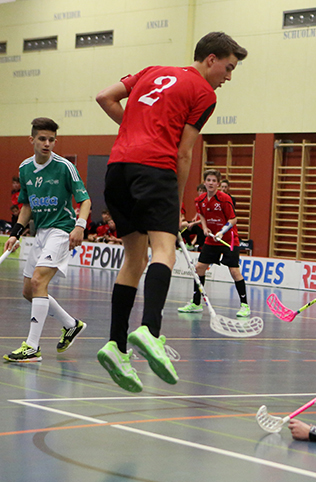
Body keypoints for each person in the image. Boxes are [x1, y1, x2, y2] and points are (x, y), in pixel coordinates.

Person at [95, 31, 248, 392]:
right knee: (164, 251)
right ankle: (150, 330)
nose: (228, 77)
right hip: (154, 170)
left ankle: (116, 346)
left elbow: (105, 97)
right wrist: (178, 204)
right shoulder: (204, 94)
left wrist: (136, 128)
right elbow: (183, 152)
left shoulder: (151, 70)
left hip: (117, 171)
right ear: (210, 59)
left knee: (134, 261)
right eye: (228, 68)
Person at [3, 117, 91, 362]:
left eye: (51, 140)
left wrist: (80, 226)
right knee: (28, 291)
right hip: (40, 231)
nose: (47, 144)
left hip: (61, 230)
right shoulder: (25, 168)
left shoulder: (64, 167)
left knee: (39, 280)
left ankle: (32, 347)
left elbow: (85, 200)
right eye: (42, 139)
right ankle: (71, 324)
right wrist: (15, 233)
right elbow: (27, 206)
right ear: (31, 139)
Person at [178, 169, 249, 317]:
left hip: (228, 239)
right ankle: (196, 303)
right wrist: (204, 228)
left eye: (214, 181)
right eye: (208, 180)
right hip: (211, 239)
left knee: (234, 271)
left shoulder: (224, 199)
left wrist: (222, 231)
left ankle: (244, 305)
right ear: (204, 182)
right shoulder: (200, 200)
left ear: (218, 184)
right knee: (199, 268)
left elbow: (233, 219)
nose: (211, 183)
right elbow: (202, 215)